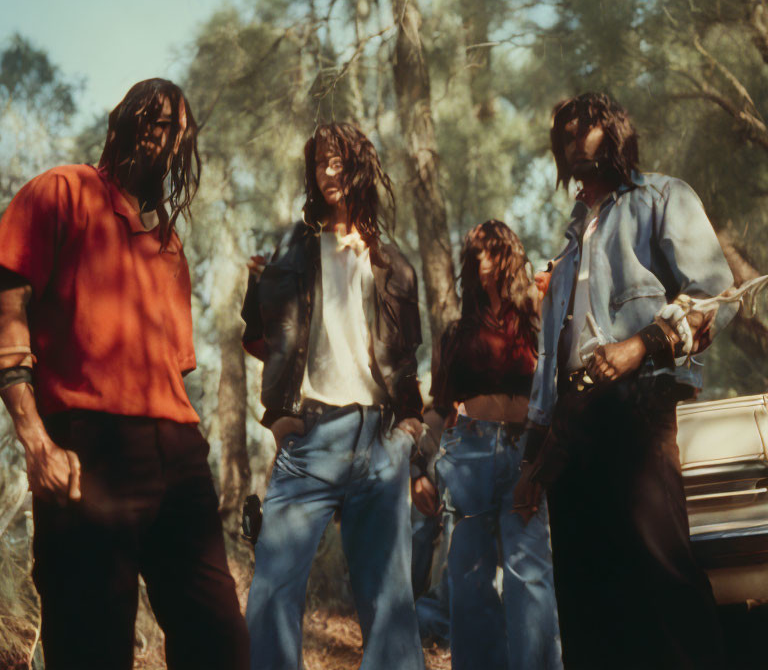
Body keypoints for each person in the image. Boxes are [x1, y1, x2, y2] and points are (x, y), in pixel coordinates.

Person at [0, 78, 249, 670]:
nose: (169, 143)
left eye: (180, 133)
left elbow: (170, 371)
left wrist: (189, 459)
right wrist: (35, 439)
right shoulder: (60, 191)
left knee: (222, 641)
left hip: (178, 452)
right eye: (159, 126)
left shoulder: (169, 247)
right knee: (91, 642)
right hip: (88, 448)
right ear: (126, 124)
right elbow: (6, 305)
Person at [514, 92, 734, 669]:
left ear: (612, 132)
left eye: (582, 128)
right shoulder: (568, 245)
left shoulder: (662, 197)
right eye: (562, 134)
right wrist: (532, 460)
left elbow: (715, 295)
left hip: (638, 407)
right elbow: (552, 357)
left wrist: (640, 347)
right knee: (586, 602)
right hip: (573, 424)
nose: (571, 141)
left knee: (664, 578)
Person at [241, 122, 430, 670]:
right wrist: (278, 416)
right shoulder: (291, 250)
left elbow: (405, 360)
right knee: (274, 589)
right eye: (321, 162)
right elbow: (260, 339)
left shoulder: (394, 264)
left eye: (339, 161)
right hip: (311, 438)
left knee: (389, 600)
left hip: (379, 437)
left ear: (361, 167)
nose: (328, 172)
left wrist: (410, 429)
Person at [430, 220, 562, 670]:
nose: (482, 261)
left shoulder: (536, 314)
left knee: (531, 574)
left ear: (508, 255)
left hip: (527, 451)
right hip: (468, 454)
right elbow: (439, 406)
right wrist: (418, 468)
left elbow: (555, 382)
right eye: (475, 254)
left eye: (490, 251)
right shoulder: (457, 332)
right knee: (469, 580)